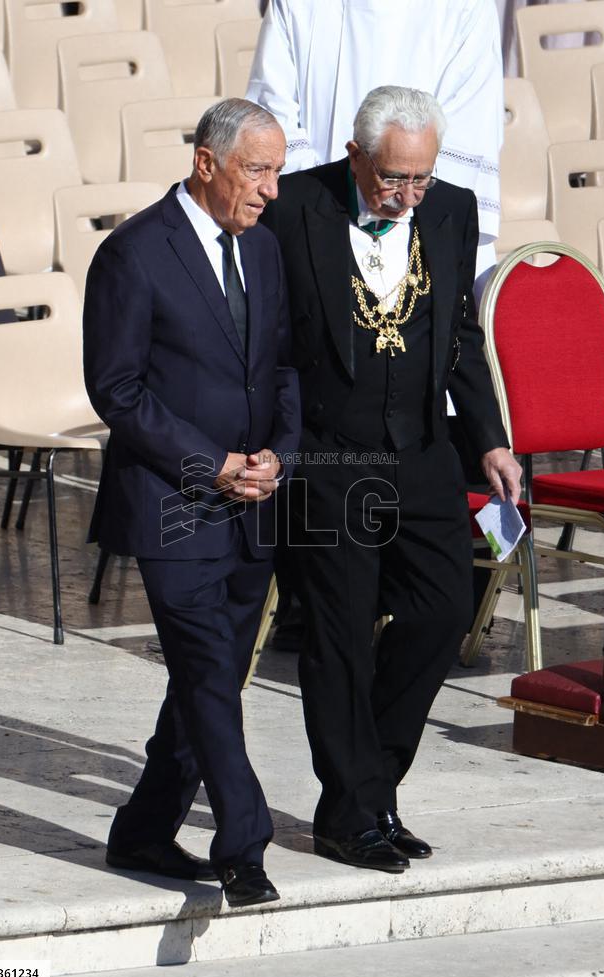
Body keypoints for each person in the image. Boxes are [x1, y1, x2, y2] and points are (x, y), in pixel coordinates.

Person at [262, 85, 521, 872]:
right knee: (338, 636)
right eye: (392, 181)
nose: (407, 196)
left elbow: (461, 337)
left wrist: (488, 441)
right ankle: (353, 813)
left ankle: (368, 786)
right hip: (329, 455)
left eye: (419, 179)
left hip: (419, 450)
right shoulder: (293, 207)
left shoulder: (449, 210)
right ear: (355, 156)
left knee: (442, 611)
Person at [83, 99, 301, 907]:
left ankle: (141, 829)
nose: (271, 189)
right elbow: (117, 388)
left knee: (204, 680)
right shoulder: (134, 253)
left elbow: (281, 366)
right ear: (206, 163)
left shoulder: (265, 251)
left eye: (276, 170)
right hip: (171, 500)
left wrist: (281, 450)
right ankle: (244, 846)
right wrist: (212, 466)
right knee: (209, 670)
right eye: (258, 170)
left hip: (255, 500)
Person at [246, 0, 503, 278]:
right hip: (313, 220)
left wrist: (406, 192)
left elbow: (470, 122)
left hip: (420, 225)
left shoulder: (467, 6)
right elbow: (272, 110)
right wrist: (324, 202)